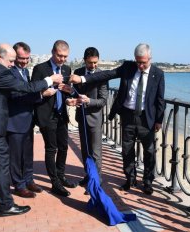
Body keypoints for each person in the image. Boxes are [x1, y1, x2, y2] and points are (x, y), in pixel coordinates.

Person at [0, 43, 63, 217]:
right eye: (10, 61)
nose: (12, 64)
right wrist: (50, 80)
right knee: (1, 165)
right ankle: (5, 205)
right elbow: (25, 88)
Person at [69, 43, 165, 195]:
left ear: (150, 59)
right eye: (138, 61)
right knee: (127, 150)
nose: (140, 65)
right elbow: (105, 74)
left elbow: (160, 99)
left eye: (143, 62)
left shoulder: (158, 74)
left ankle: (147, 181)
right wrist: (82, 79)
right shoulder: (128, 67)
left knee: (149, 151)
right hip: (128, 115)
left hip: (147, 118)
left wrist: (159, 120)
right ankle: (130, 179)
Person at [31, 40, 77, 197]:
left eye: (65, 56)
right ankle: (54, 182)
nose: (62, 59)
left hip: (61, 114)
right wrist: (43, 93)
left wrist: (70, 94)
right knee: (51, 148)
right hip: (46, 114)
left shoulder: (66, 68)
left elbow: (65, 91)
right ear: (52, 52)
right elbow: (32, 92)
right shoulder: (40, 68)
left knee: (63, 147)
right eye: (60, 56)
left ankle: (61, 176)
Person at [6, 42, 46, 198]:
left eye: (27, 58)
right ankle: (19, 185)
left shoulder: (25, 71)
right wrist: (41, 94)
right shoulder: (9, 72)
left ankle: (29, 179)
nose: (24, 61)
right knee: (15, 157)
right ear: (14, 56)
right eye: (21, 58)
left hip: (27, 120)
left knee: (28, 154)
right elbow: (16, 95)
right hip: (14, 121)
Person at [66, 47, 108, 192]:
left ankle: (97, 182)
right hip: (81, 117)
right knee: (85, 151)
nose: (93, 66)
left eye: (96, 63)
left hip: (95, 119)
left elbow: (103, 101)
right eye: (90, 63)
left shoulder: (102, 75)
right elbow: (72, 91)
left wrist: (89, 100)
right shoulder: (77, 73)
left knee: (96, 153)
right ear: (84, 61)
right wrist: (71, 99)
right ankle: (88, 176)